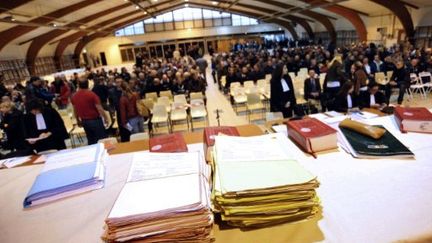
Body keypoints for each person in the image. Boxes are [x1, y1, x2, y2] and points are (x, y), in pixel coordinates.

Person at [71, 78, 108, 145]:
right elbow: (99, 108)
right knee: (102, 141)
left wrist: (78, 120)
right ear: (88, 84)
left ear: (79, 85)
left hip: (84, 122)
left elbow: (75, 110)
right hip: (95, 121)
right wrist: (106, 118)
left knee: (91, 141)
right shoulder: (92, 95)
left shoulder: (74, 96)